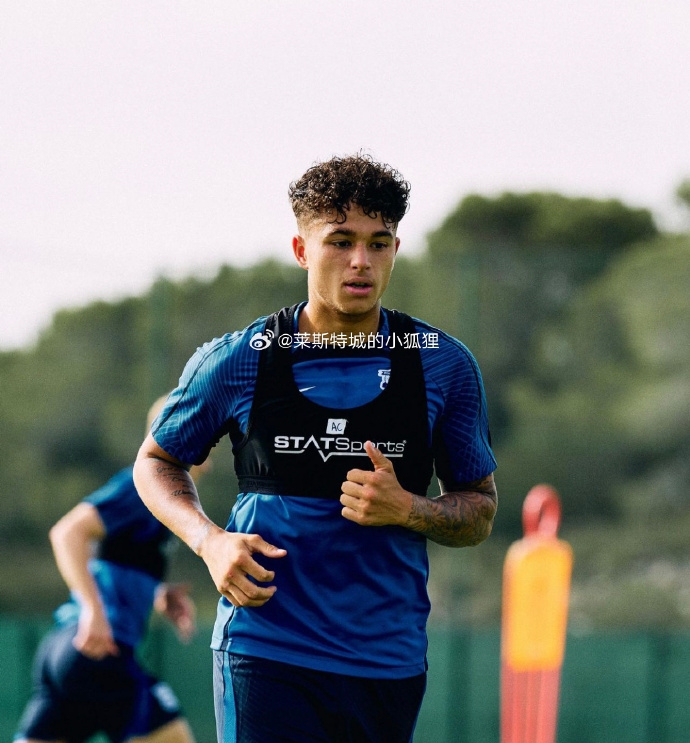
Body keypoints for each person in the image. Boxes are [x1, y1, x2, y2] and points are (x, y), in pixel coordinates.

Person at [133, 154, 498, 743]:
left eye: (378, 243)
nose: (361, 261)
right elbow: (156, 461)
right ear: (302, 250)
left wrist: (409, 509)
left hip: (387, 663)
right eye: (341, 241)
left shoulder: (443, 365)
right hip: (266, 649)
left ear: (396, 250)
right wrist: (209, 541)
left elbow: (479, 510)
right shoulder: (241, 359)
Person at [15, 397, 207, 743]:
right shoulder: (143, 485)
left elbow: (116, 559)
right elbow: (68, 532)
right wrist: (94, 610)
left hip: (67, 650)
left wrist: (158, 594)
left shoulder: (165, 500)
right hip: (98, 650)